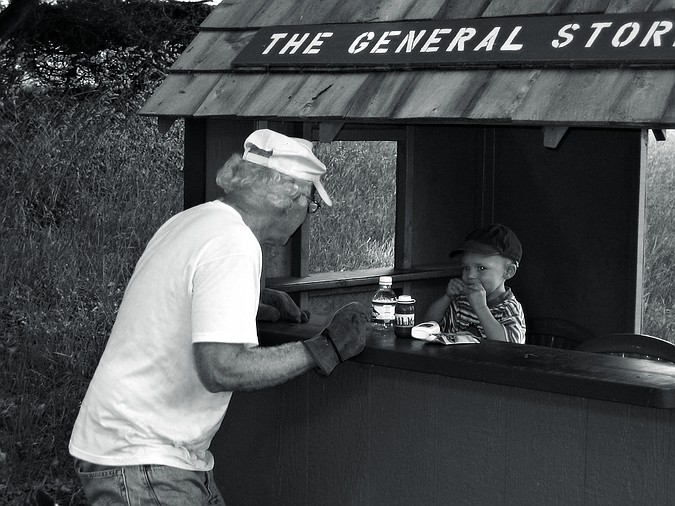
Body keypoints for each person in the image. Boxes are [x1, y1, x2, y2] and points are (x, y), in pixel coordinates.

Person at [68, 129, 369, 505]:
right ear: (291, 196)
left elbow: (180, 295)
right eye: (310, 206)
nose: (305, 217)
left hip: (141, 452)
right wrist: (324, 348)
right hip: (144, 458)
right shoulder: (234, 243)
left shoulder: (195, 221)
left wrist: (251, 298)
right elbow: (221, 369)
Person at [424, 224, 526, 343]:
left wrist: (480, 307)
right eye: (466, 268)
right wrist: (447, 297)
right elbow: (428, 325)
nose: (470, 275)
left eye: (481, 268)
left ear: (508, 271)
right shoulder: (461, 301)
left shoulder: (509, 308)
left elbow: (510, 348)